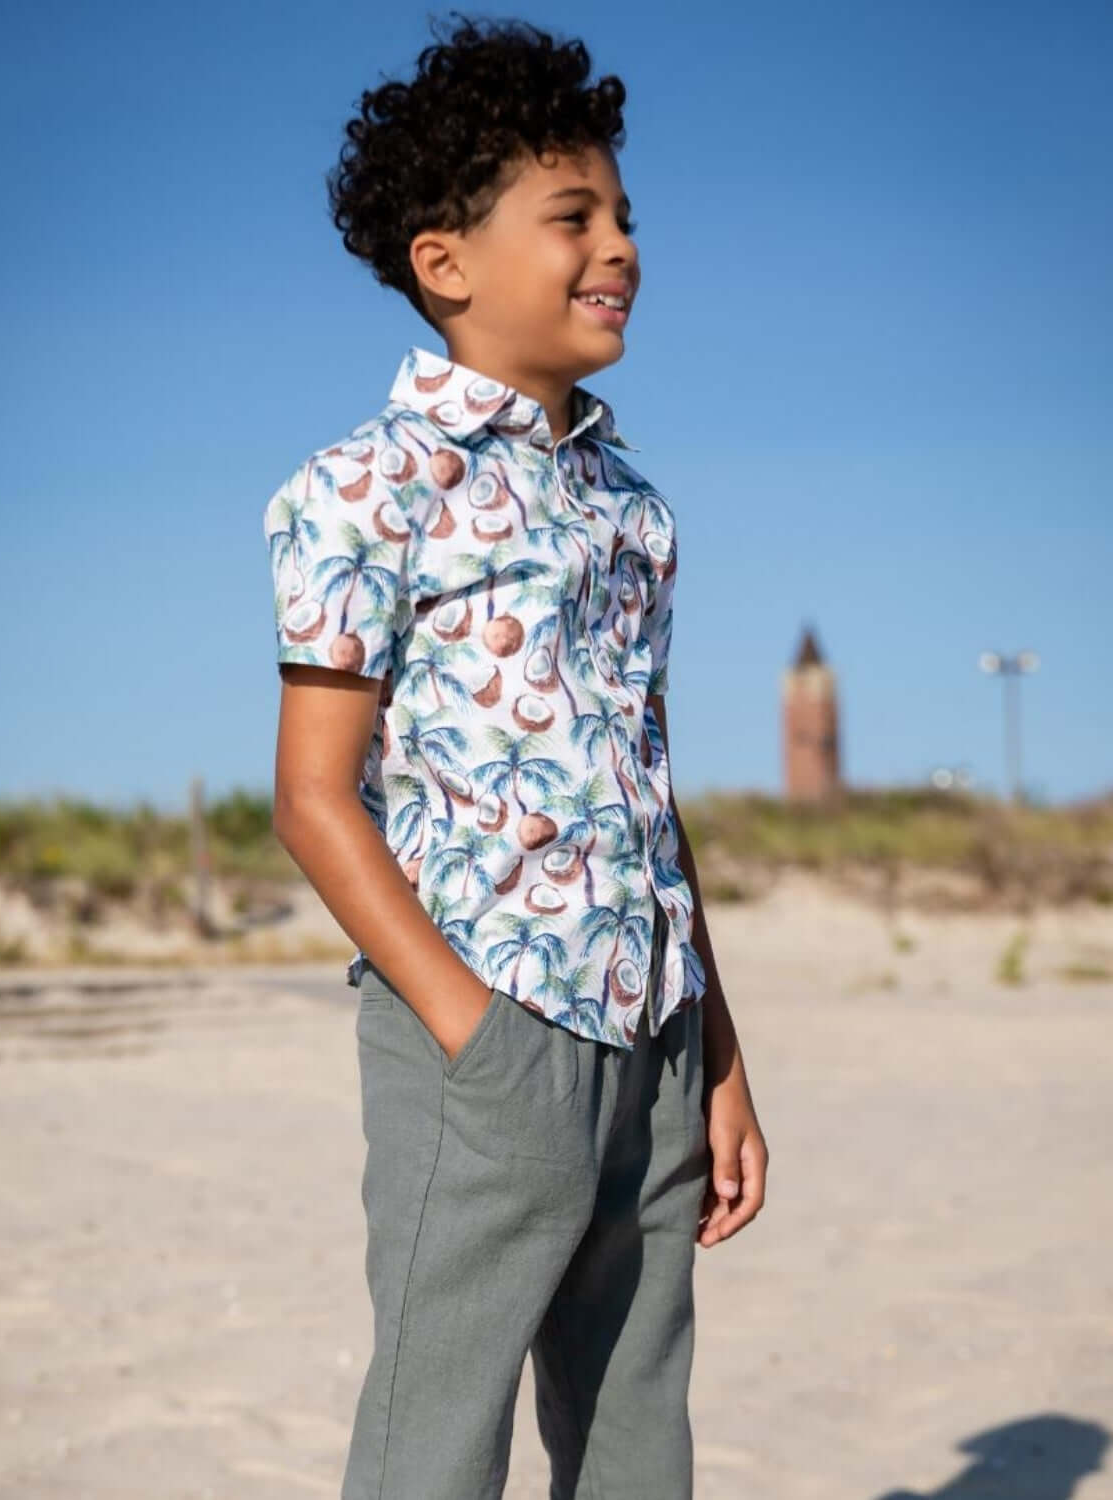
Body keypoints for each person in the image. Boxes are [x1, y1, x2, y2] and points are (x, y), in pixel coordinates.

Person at [263, 15, 768, 1498]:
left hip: (656, 1029)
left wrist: (720, 1056)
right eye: (573, 217)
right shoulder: (366, 489)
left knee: (634, 1436)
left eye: (623, 217)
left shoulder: (634, 509)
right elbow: (310, 796)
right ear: (447, 261)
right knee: (436, 1438)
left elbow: (646, 802)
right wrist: (470, 1031)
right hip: (485, 1027)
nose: (616, 245)